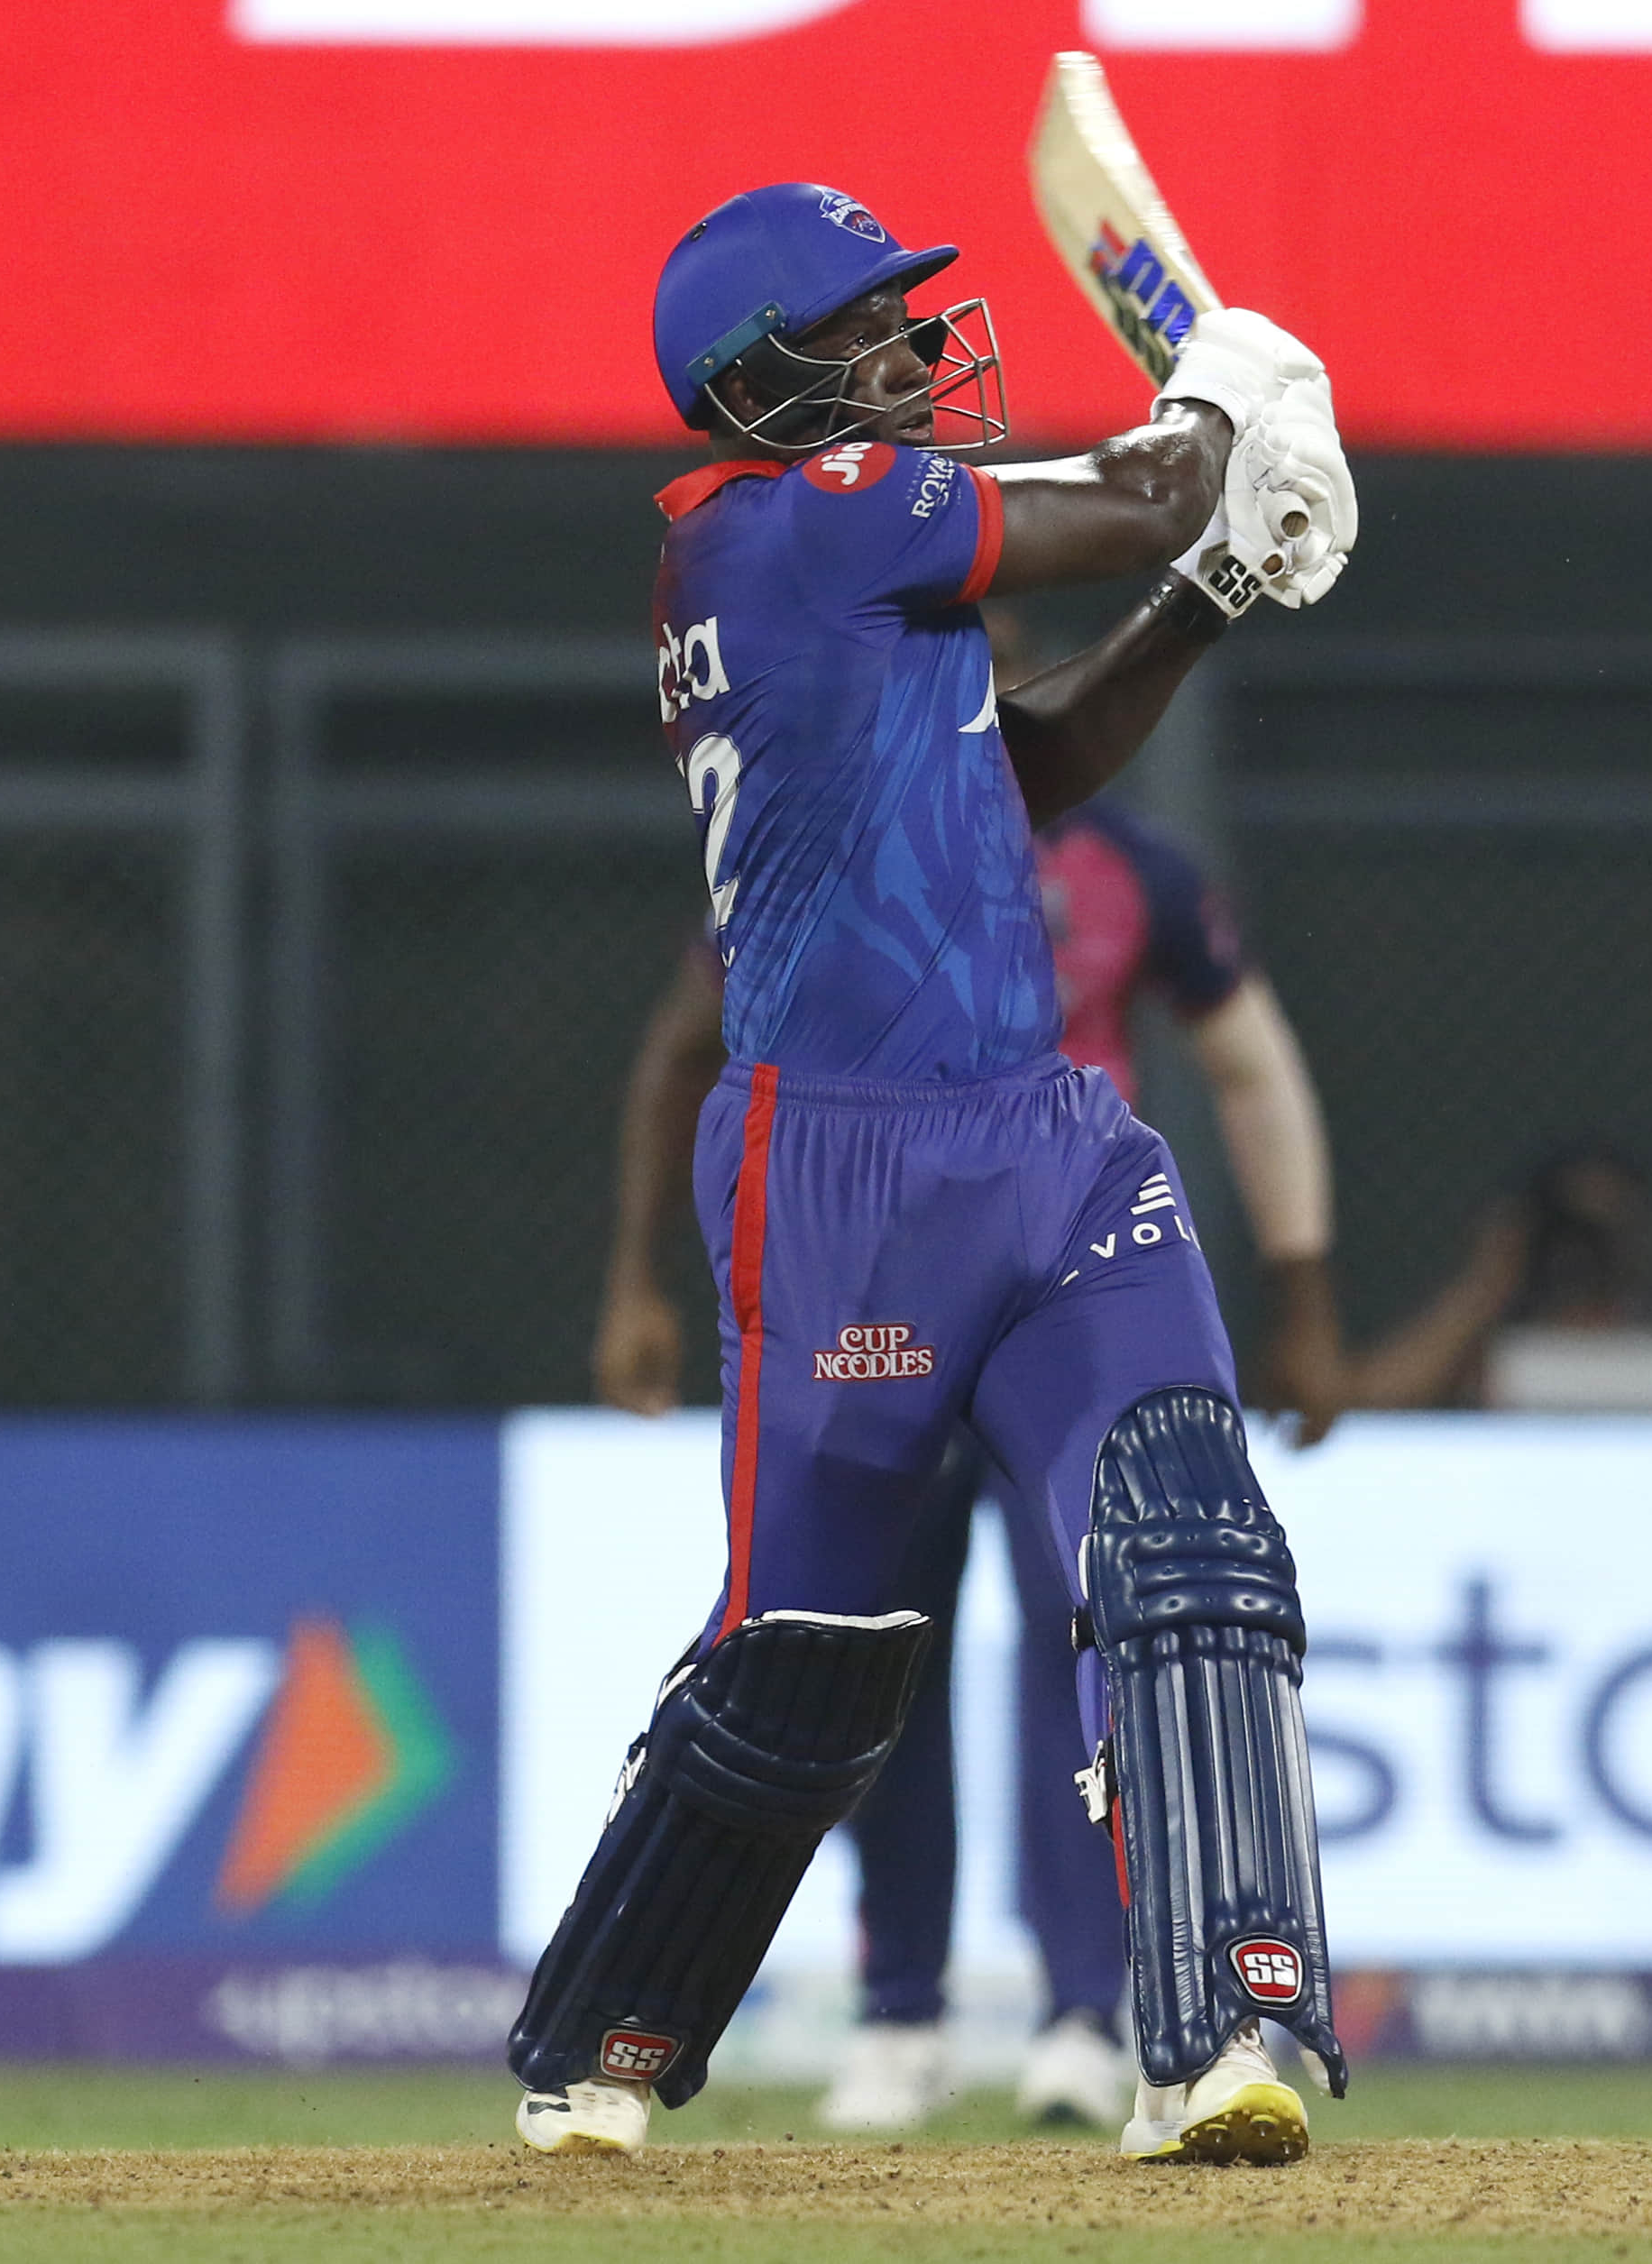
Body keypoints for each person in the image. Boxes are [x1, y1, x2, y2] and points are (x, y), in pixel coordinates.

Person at [508, 179, 1358, 2167]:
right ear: (762, 381)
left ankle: (1212, 2036)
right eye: (869, 324)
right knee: (800, 1664)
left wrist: (1215, 594)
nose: (912, 348)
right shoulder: (795, 522)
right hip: (839, 1173)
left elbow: (1021, 772)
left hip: (1048, 1141)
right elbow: (1142, 490)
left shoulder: (830, 557)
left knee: (1185, 1546)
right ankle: (603, 2038)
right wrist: (1224, 390)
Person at [591, 618, 1350, 2133]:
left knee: (1118, 1611)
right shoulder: (817, 835)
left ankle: (1097, 2008)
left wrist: (1301, 1284)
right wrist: (635, 1277)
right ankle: (898, 2010)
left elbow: (1248, 1057)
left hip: (1059, 1280)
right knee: (853, 1647)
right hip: (868, 1276)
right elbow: (684, 1046)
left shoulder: (1128, 864)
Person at [1346, 1143, 1652, 1412]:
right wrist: (1487, 1282)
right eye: (1572, 1233)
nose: (1587, 1256)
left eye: (1605, 1234)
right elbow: (1369, 1406)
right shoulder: (1485, 1359)